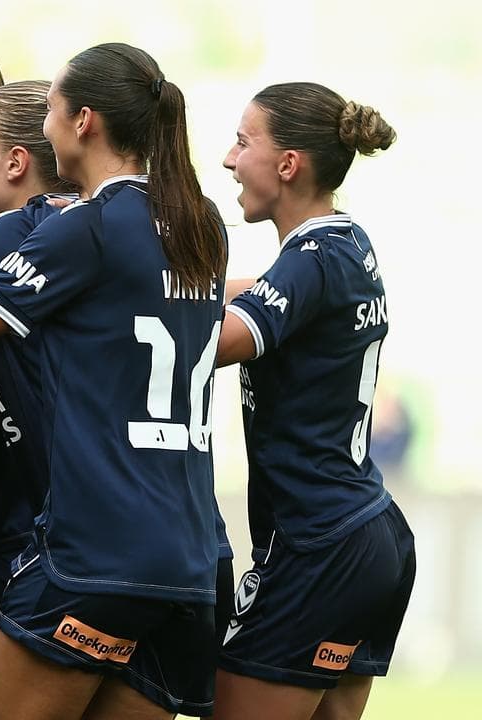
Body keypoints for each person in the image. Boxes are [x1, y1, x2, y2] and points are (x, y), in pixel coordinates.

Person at [0, 42, 229, 719]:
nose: (49, 123)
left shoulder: (83, 227)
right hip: (190, 556)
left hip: (93, 549)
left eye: (54, 109)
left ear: (83, 121)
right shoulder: (197, 222)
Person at [214, 82, 415, 720]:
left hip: (318, 542)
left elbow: (225, 340)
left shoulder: (311, 257)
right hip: (369, 531)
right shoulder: (345, 243)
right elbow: (266, 290)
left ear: (288, 164)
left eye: (243, 142)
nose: (227, 159)